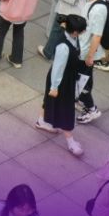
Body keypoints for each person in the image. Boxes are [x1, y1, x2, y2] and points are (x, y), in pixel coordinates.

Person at [35, 12, 86, 156]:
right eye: (82, 30)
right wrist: (54, 87)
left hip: (64, 78)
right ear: (75, 32)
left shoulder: (71, 38)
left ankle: (41, 121)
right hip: (61, 81)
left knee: (49, 101)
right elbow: (58, 68)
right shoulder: (63, 47)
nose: (84, 31)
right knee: (66, 110)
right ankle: (71, 142)